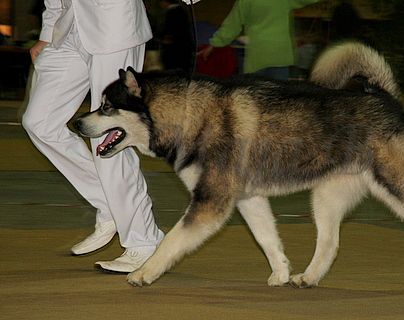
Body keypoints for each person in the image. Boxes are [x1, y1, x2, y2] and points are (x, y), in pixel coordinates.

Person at [22, 0, 164, 273]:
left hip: (113, 26)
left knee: (109, 136)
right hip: (68, 28)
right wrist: (47, 32)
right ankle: (109, 204)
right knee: (39, 122)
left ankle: (144, 239)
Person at [197, 0, 320, 80]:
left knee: (256, 102)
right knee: (279, 102)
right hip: (280, 56)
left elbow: (231, 26)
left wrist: (213, 44)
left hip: (257, 57)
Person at [159, 0, 194, 73]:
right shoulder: (182, 11)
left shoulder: (171, 13)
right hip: (186, 46)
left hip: (174, 49)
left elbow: (169, 32)